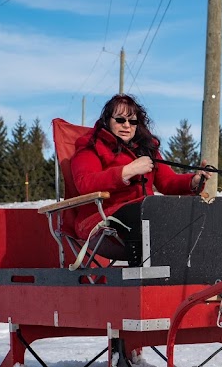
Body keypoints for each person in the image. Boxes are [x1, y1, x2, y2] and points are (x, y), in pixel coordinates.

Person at [71, 93, 212, 260]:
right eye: (120, 120)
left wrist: (194, 180)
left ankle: (186, 270)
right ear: (107, 120)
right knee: (144, 212)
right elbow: (85, 183)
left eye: (132, 121)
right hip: (101, 218)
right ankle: (140, 272)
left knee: (182, 211)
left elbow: (167, 182)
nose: (127, 126)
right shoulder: (91, 145)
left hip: (146, 211)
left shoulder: (146, 149)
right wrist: (127, 171)